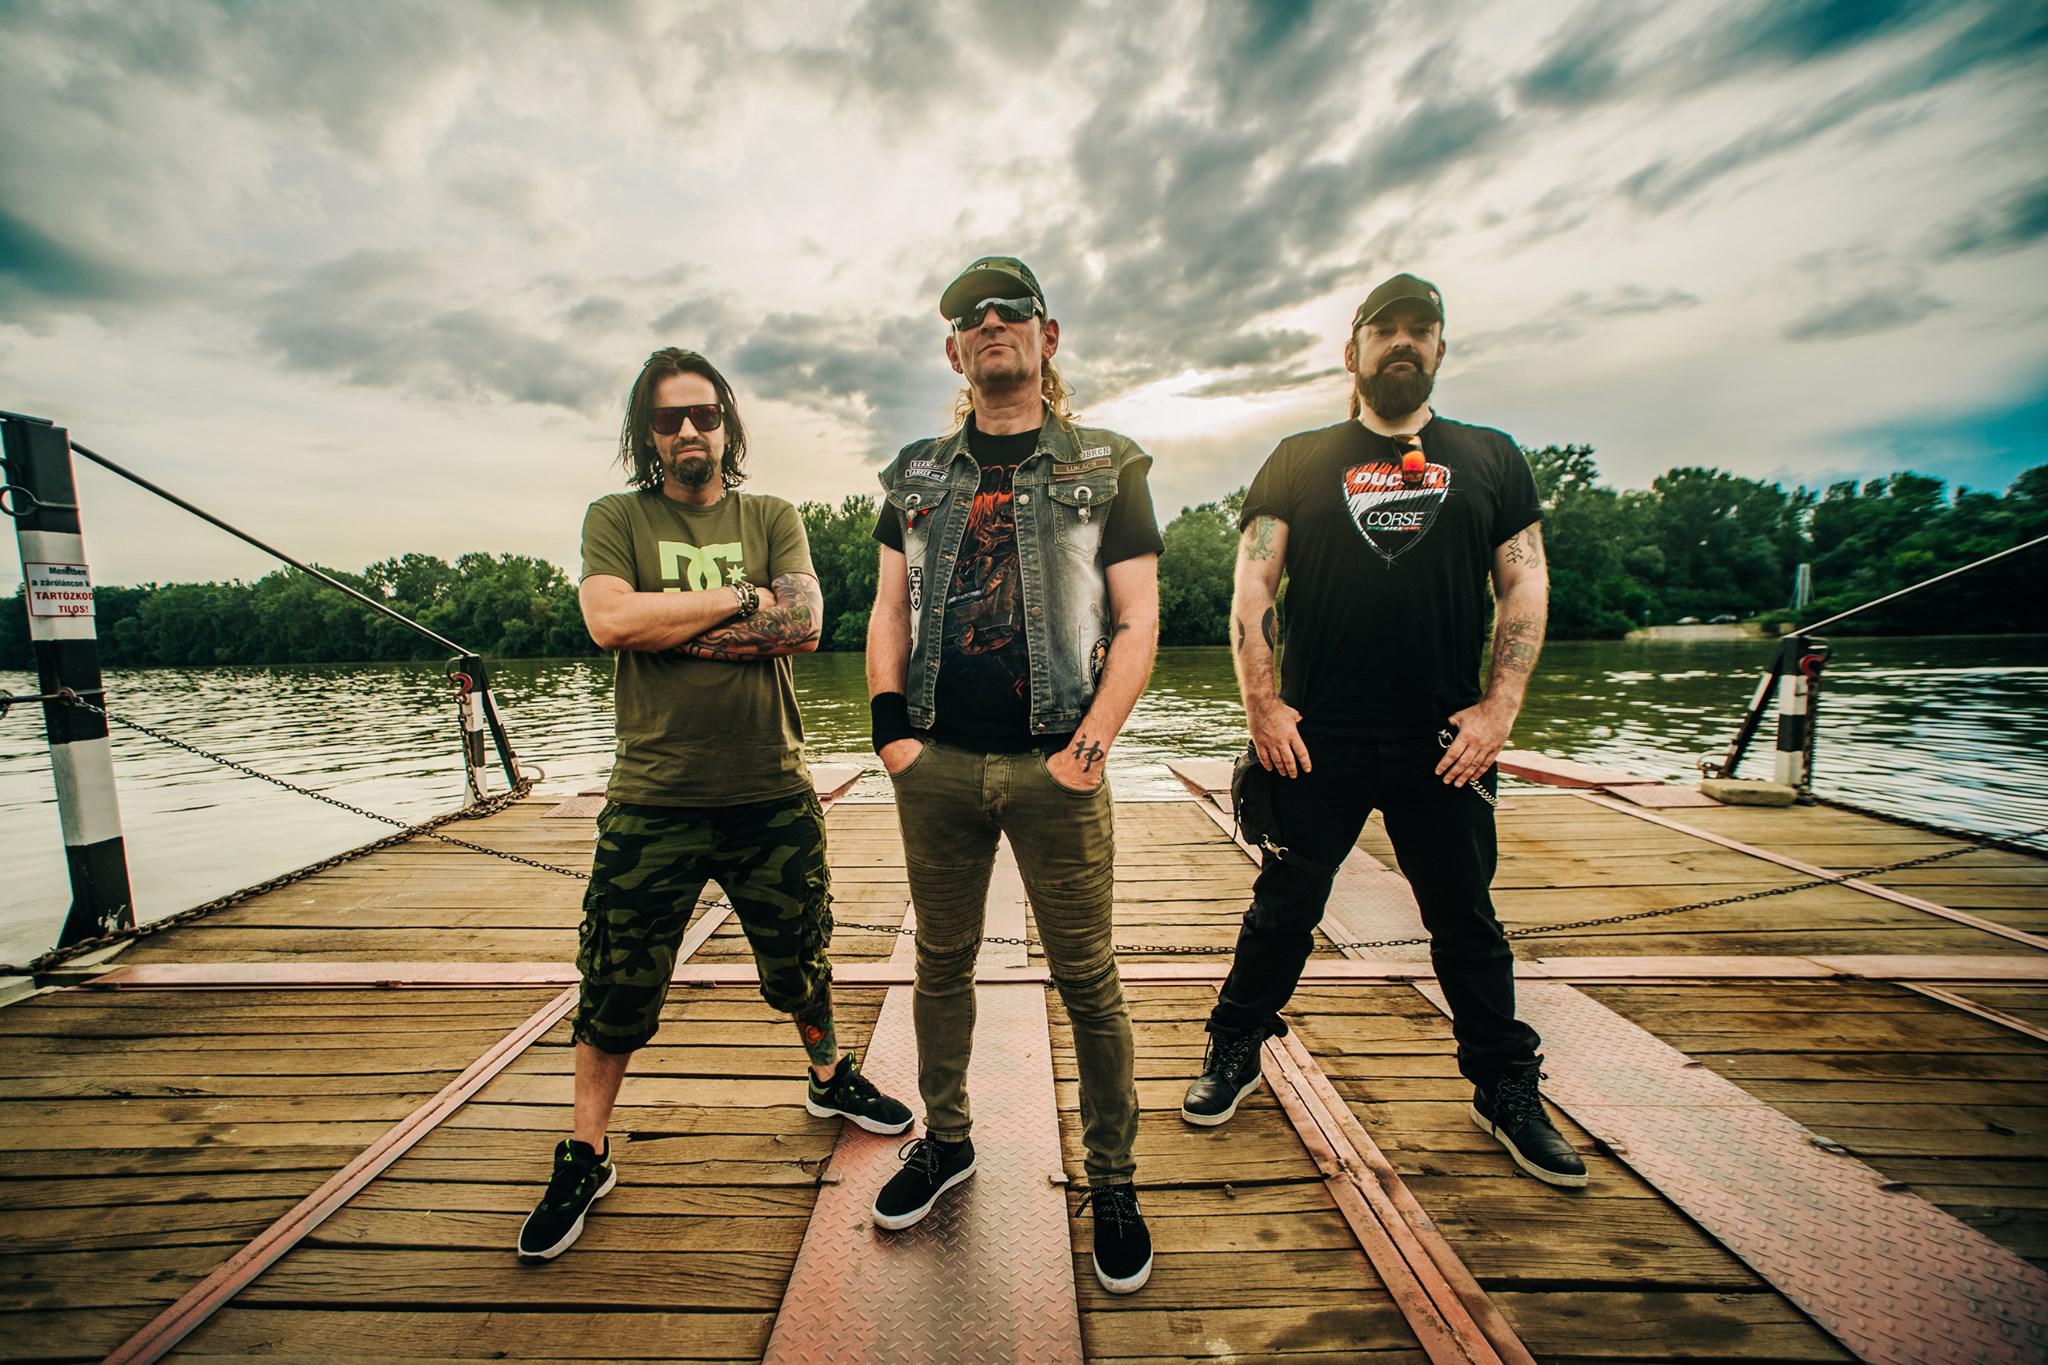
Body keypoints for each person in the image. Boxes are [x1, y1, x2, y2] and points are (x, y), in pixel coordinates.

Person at [1182, 274, 1586, 1188]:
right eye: (1385, 328)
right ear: (1352, 350)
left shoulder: (1491, 457)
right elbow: (1254, 583)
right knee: (1284, 904)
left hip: (1444, 740)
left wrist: (1499, 710)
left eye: (1421, 328)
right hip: (1315, 734)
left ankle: (1504, 1086)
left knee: (1466, 919)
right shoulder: (1300, 457)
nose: (1403, 341)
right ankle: (1234, 1045)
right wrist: (1263, 706)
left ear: (1440, 348)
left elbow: (1524, 582)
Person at [519, 346, 912, 1262]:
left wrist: (667, 624)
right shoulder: (617, 516)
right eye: (669, 418)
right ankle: (586, 1153)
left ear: (728, 424)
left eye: (704, 413)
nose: (689, 430)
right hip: (652, 797)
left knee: (801, 958)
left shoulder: (771, 514)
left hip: (769, 789)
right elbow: (609, 621)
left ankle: (829, 1075)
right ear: (648, 434)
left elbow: (803, 623)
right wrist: (739, 598)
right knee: (615, 982)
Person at [864, 257, 1164, 1291]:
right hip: (937, 761)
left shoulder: (1109, 465)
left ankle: (1112, 1180)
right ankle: (946, 1143)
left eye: (1010, 309)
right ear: (954, 351)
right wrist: (892, 737)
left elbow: (1138, 619)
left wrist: (1090, 749)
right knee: (940, 965)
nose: (990, 322)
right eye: (970, 315)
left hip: (1057, 765)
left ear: (1047, 335)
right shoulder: (912, 473)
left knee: (1089, 980)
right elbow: (888, 609)